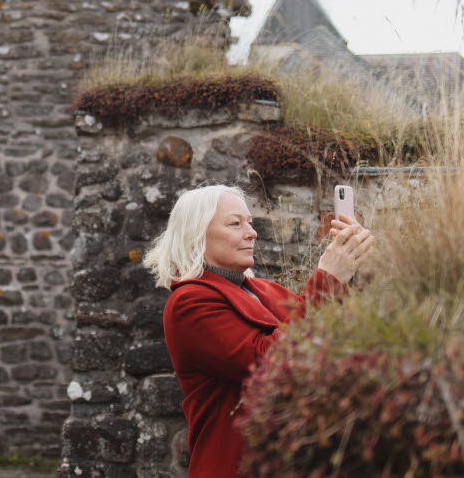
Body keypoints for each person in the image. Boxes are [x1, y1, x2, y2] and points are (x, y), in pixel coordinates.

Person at [142, 184, 374, 477]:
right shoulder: (189, 302)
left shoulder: (263, 290)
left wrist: (352, 271)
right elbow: (270, 363)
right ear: (196, 234)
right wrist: (328, 278)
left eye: (249, 222)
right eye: (235, 224)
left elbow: (329, 329)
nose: (251, 232)